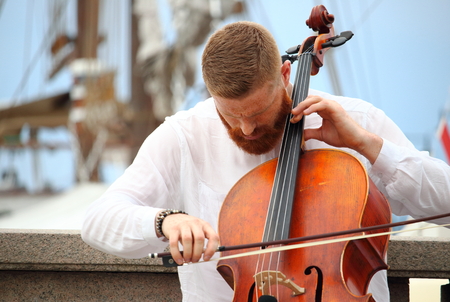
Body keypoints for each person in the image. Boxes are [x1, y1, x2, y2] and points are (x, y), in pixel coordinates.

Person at [81, 21, 450, 302]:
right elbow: (98, 221)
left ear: (285, 76)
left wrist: (369, 146)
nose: (246, 128)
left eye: (257, 112)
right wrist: (165, 221)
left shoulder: (357, 120)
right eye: (230, 115)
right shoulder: (185, 134)